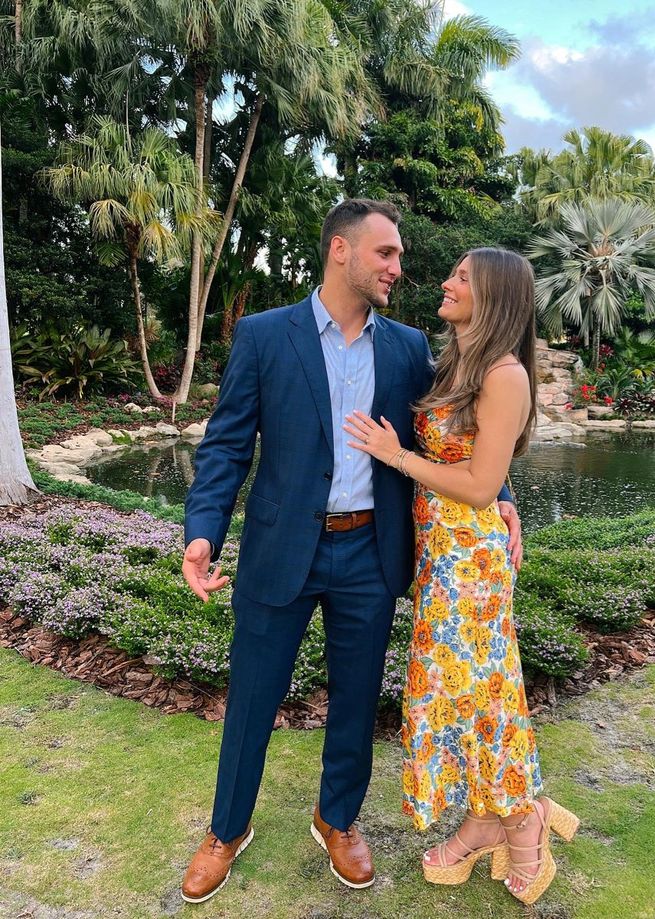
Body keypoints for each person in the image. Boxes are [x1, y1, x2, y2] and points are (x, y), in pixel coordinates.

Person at [178, 200, 522, 904]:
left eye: (397, 256)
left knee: (356, 701)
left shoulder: (404, 346)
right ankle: (225, 830)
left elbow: (450, 423)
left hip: (369, 551)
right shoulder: (264, 335)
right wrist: (202, 531)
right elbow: (225, 446)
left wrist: (505, 491)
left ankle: (337, 819)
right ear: (341, 251)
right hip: (281, 551)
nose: (399, 267)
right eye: (386, 254)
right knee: (252, 697)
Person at [344, 247, 580, 906]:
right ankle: (484, 818)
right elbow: (484, 471)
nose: (445, 283)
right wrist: (506, 497)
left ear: (495, 296)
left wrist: (396, 456)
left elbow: (478, 484)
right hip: (441, 555)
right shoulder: (454, 363)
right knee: (463, 693)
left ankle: (522, 820)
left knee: (486, 694)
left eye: (461, 278)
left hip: (471, 561)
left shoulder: (505, 375)